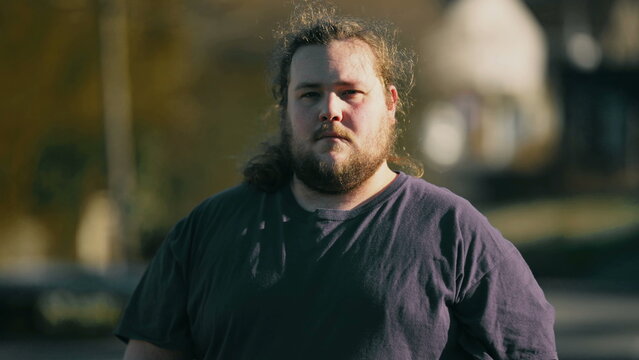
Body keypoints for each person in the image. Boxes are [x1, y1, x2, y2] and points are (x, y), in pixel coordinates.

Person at [115, 4, 557, 360]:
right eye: (309, 94)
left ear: (390, 103)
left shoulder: (453, 231)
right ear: (284, 109)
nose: (330, 109)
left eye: (350, 92)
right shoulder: (207, 231)